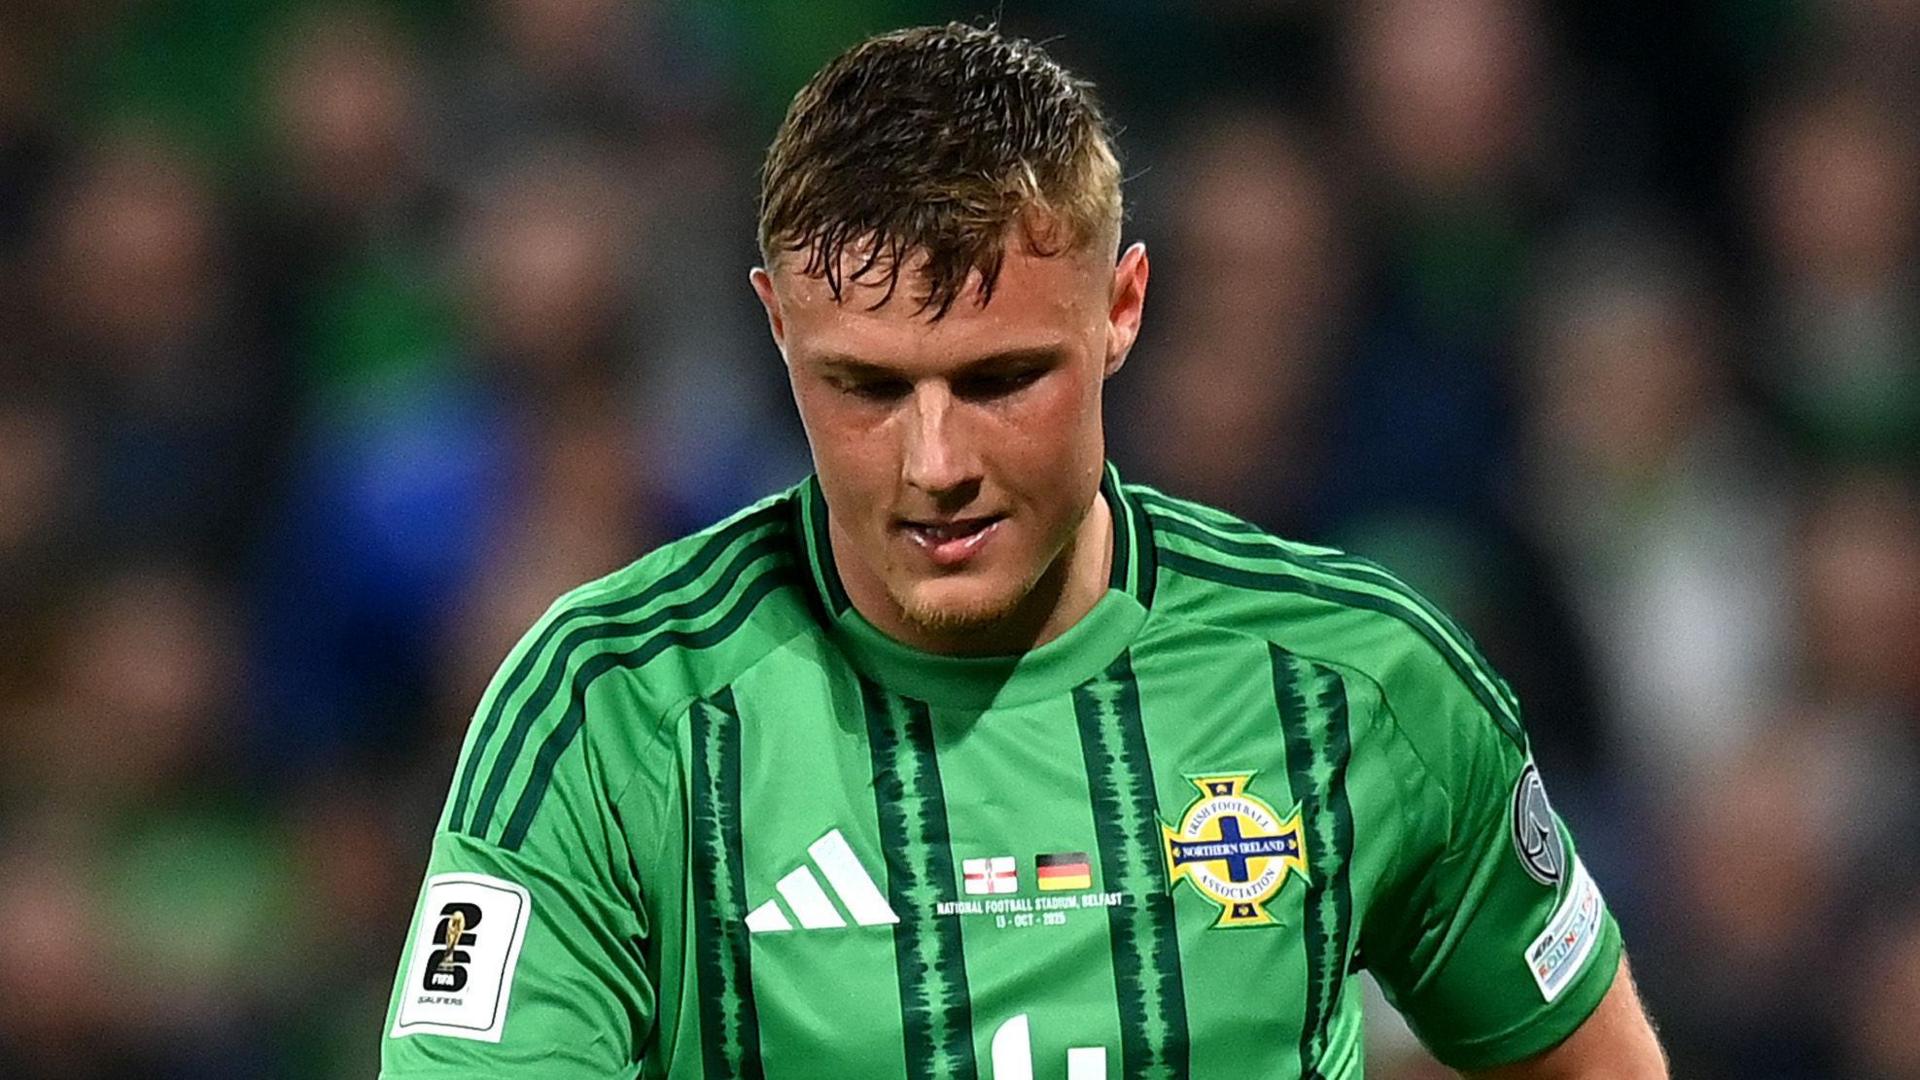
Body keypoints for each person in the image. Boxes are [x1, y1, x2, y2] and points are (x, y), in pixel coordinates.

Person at [379, 23, 1667, 1078]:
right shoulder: (612, 713)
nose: (935, 462)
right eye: (868, 388)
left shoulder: (1359, 685)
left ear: (1122, 309)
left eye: (1001, 380)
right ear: (775, 328)